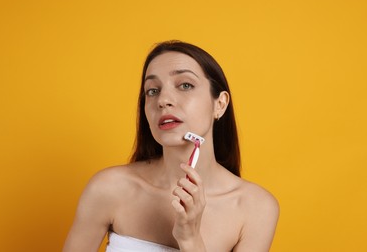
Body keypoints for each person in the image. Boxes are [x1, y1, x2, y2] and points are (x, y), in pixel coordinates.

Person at [63, 40, 279, 252]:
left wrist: (190, 239)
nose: (163, 100)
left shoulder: (256, 208)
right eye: (152, 90)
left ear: (219, 104)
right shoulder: (109, 188)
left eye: (185, 85)